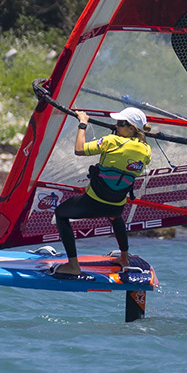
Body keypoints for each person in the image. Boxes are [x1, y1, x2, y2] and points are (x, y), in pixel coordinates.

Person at [51, 107, 151, 278]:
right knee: (115, 216)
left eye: (121, 123)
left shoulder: (111, 141)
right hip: (116, 205)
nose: (116, 125)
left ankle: (73, 266)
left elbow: (79, 149)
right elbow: (134, 151)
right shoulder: (146, 150)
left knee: (61, 213)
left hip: (93, 202)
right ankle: (124, 258)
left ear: (131, 128)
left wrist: (83, 123)